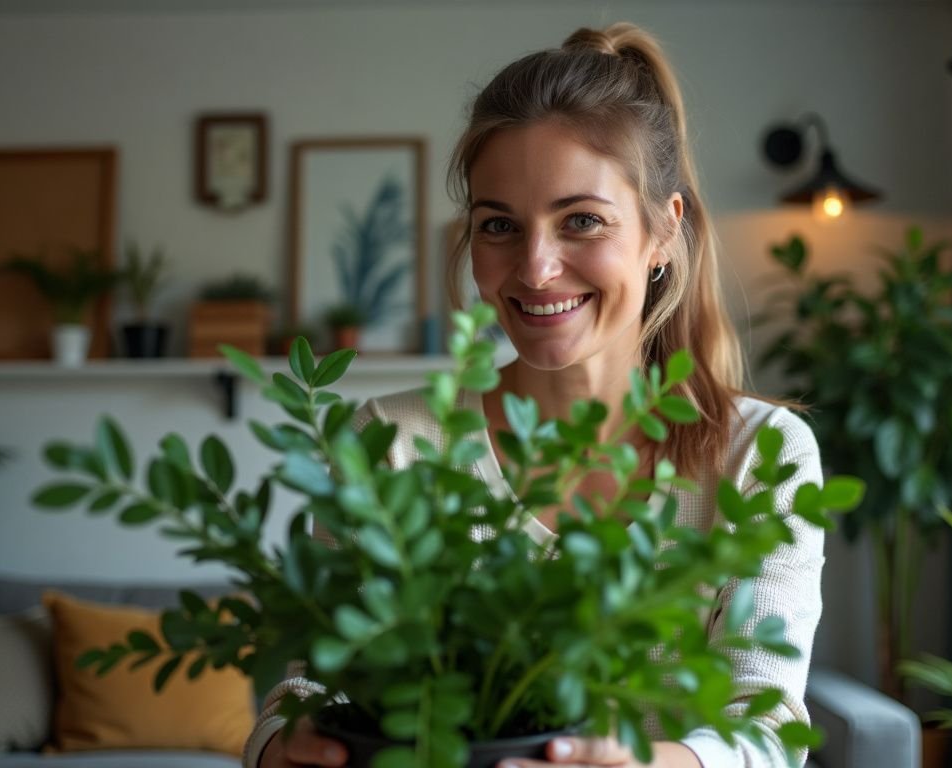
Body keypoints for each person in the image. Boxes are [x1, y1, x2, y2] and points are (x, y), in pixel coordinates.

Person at [246, 21, 824, 768]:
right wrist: (275, 748)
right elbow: (316, 685)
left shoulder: (759, 452)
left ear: (661, 232)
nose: (536, 268)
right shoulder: (389, 438)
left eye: (581, 220)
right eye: (499, 226)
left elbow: (768, 728)